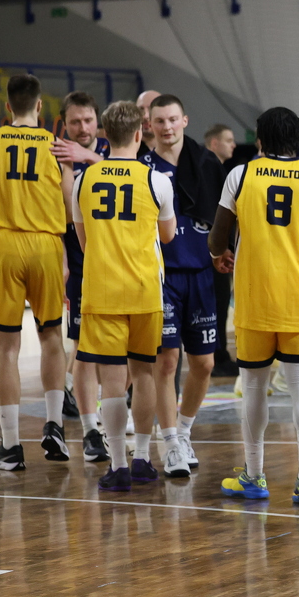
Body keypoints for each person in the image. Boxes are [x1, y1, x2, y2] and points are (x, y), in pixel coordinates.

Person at [208, 107, 299, 504]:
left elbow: (217, 239)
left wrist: (220, 254)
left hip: (254, 298)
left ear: (259, 140)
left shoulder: (241, 174)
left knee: (254, 389)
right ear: (298, 138)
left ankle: (254, 475)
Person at [0, 73, 71, 472]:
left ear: (8, 106)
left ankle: (11, 446)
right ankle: (55, 424)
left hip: (6, 244)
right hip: (46, 245)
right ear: (40, 106)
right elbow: (70, 206)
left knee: (6, 349)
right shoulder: (55, 146)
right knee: (51, 338)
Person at [71, 101, 177, 491]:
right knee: (144, 374)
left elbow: (83, 241)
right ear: (139, 133)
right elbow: (168, 235)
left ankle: (117, 465)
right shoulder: (157, 180)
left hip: (102, 290)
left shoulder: (84, 179)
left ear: (104, 134)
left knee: (112, 381)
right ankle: (143, 459)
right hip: (145, 289)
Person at [144, 94, 224, 479]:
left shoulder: (207, 164)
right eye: (160, 121)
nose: (167, 127)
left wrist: (226, 250)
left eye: (173, 119)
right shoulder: (143, 168)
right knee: (166, 361)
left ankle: (185, 431)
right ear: (150, 125)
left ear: (185, 120)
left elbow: (227, 215)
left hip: (203, 275)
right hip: (163, 277)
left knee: (205, 364)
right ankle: (171, 442)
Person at [51, 91, 110, 462]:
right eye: (75, 121)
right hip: (78, 257)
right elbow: (64, 209)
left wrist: (89, 158)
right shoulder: (55, 155)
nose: (83, 127)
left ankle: (102, 405)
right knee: (82, 339)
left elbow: (134, 176)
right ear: (64, 123)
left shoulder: (110, 149)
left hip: (116, 258)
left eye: (88, 120)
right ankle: (89, 419)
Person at [203, 122, 240, 378]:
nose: (234, 145)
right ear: (214, 143)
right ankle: (216, 355)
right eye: (228, 140)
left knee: (220, 301)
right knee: (215, 301)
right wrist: (221, 248)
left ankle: (219, 354)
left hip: (218, 249)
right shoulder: (208, 169)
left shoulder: (218, 169)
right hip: (210, 251)